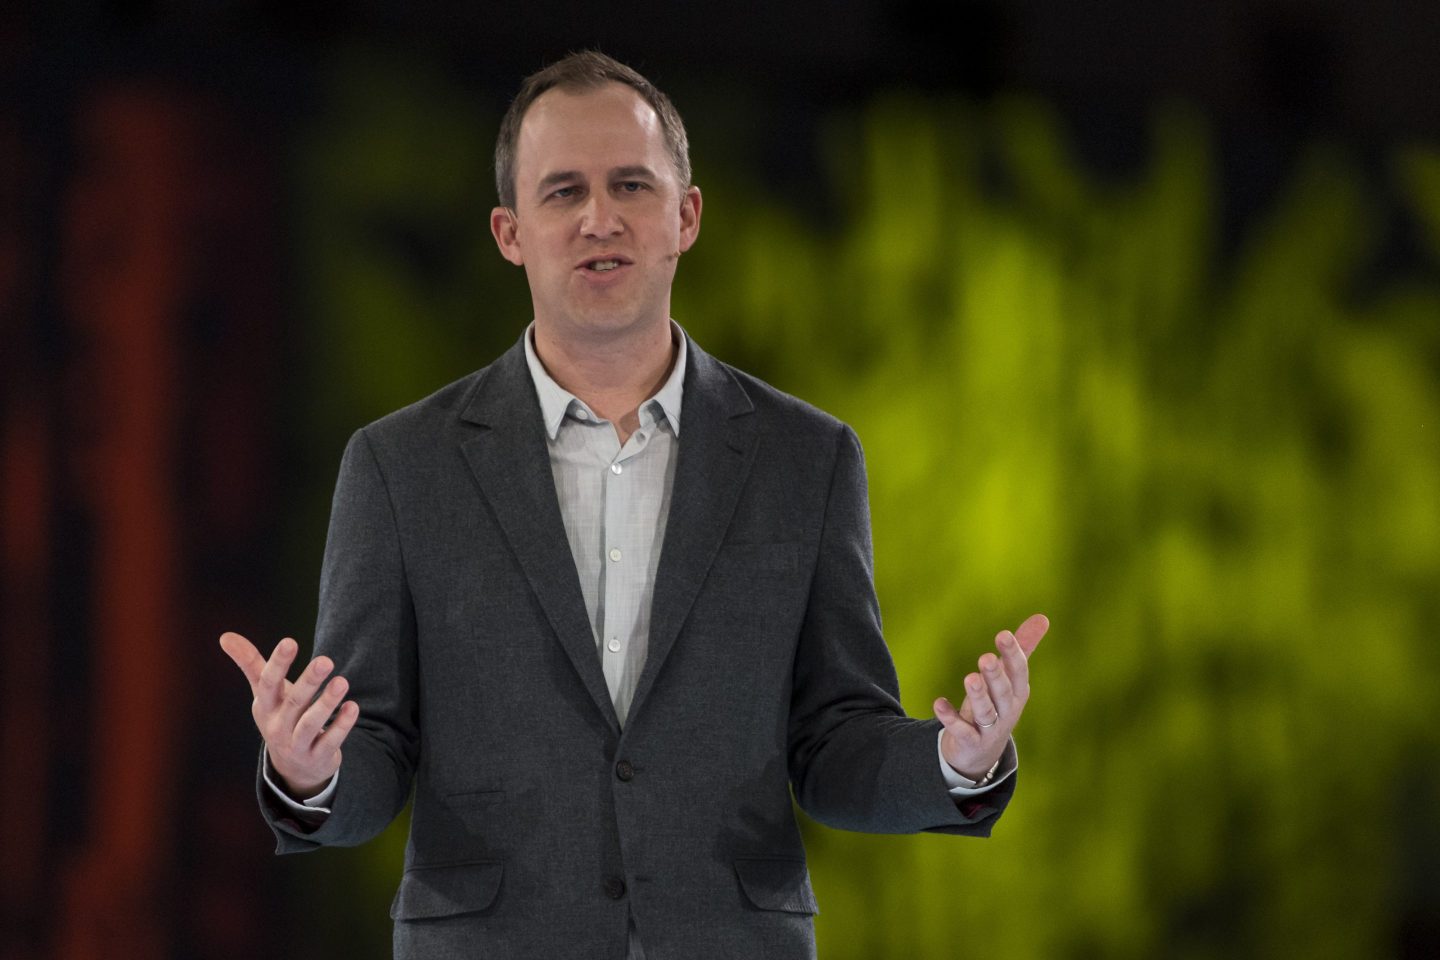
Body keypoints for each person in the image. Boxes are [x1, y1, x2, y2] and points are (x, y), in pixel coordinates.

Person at [220, 51, 1048, 960]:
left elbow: (834, 745)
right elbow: (372, 748)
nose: (599, 219)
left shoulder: (806, 460)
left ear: (685, 216)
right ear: (509, 232)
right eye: (563, 192)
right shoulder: (399, 465)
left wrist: (955, 762)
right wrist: (310, 773)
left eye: (630, 185)